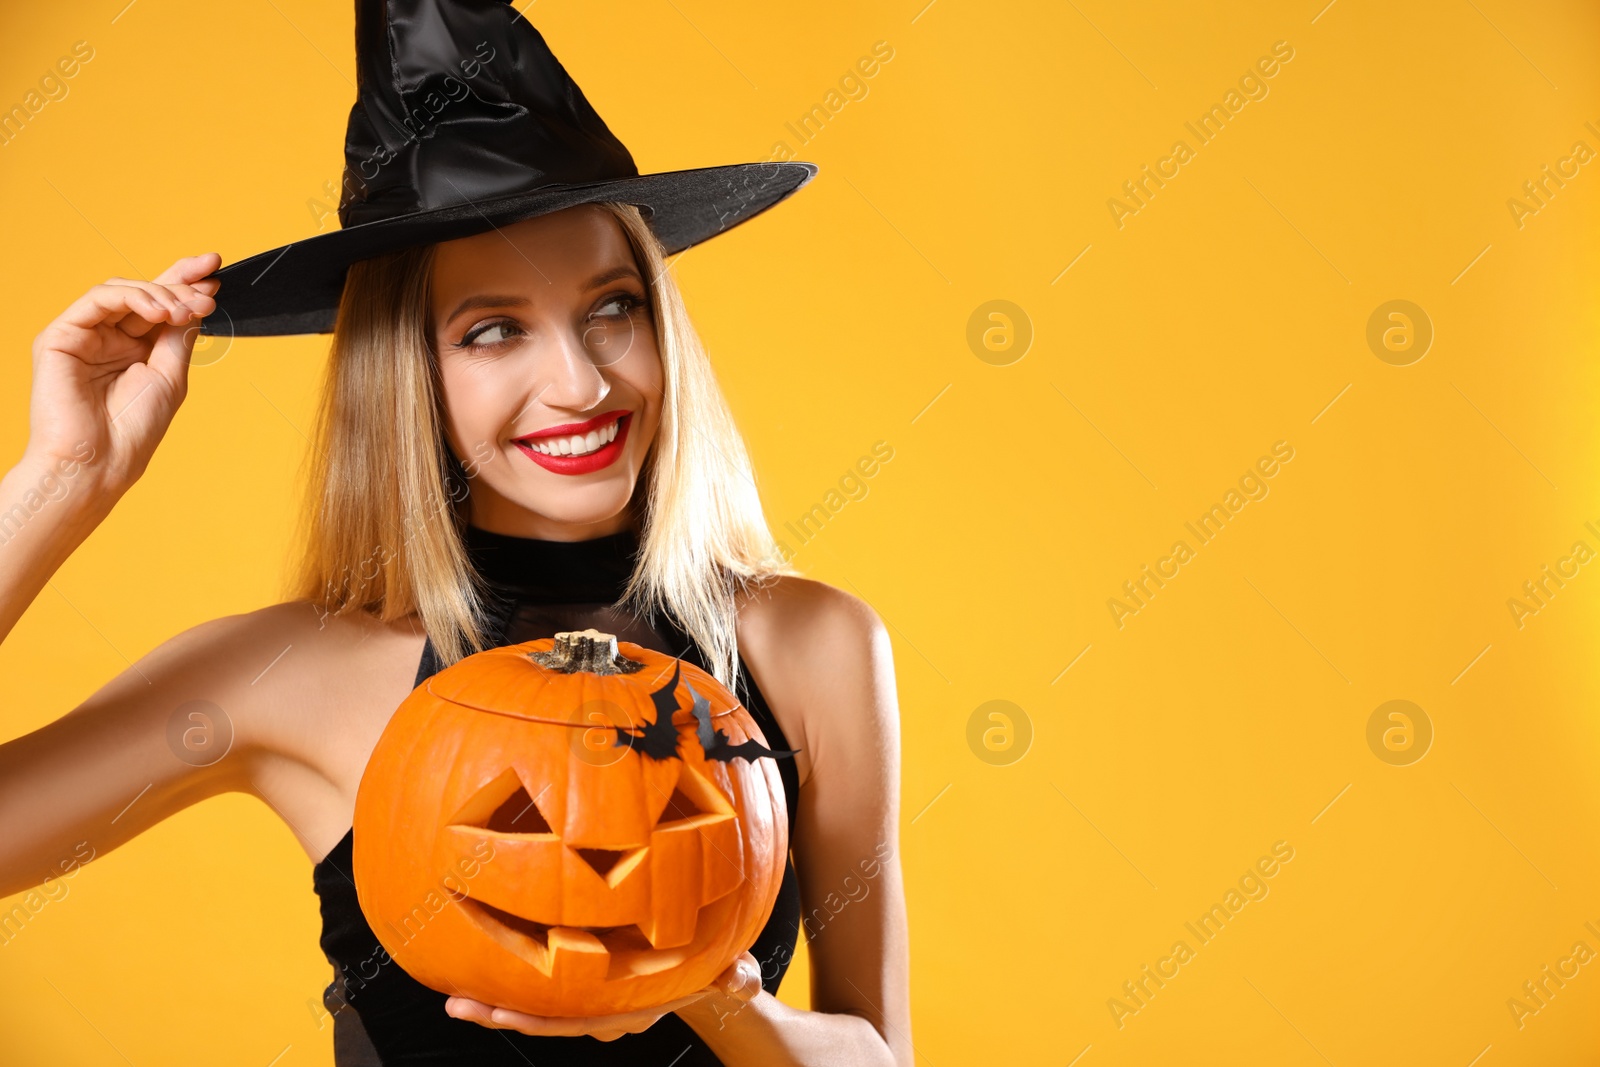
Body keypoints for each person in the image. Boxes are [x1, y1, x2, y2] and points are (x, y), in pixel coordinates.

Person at [0, 3, 910, 1064]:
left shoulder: (811, 643)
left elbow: (878, 1053)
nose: (579, 382)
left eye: (610, 308)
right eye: (493, 330)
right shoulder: (290, 673)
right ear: (409, 376)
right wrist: (59, 483)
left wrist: (715, 995)